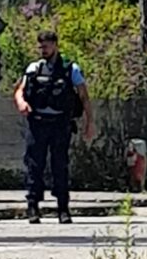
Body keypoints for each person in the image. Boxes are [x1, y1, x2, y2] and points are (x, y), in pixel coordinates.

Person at [14, 24, 93, 224]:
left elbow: (84, 97)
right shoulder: (34, 68)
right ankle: (33, 207)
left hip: (60, 124)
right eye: (41, 47)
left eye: (46, 47)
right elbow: (19, 91)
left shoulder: (70, 69)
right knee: (34, 165)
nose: (43, 51)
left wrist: (89, 123)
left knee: (60, 166)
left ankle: (63, 209)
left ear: (55, 46)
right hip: (38, 123)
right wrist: (21, 103)